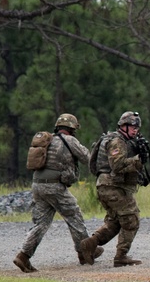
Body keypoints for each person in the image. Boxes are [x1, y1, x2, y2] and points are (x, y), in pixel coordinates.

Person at [13, 113, 102, 272]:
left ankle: (23, 256)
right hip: (54, 187)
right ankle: (85, 252)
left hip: (37, 186)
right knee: (74, 215)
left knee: (40, 224)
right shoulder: (70, 141)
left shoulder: (48, 141)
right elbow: (87, 158)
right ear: (72, 128)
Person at [79, 111, 147, 267]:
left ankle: (90, 244)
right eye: (133, 127)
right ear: (123, 126)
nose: (136, 130)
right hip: (112, 187)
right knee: (131, 219)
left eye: (137, 127)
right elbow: (117, 165)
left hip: (109, 187)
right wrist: (138, 160)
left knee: (115, 222)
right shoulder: (117, 141)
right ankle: (121, 257)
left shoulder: (121, 140)